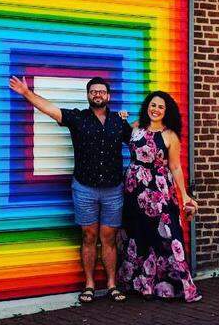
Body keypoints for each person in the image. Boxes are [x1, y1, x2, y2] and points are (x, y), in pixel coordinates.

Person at [8, 75, 130, 304]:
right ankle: (90, 285)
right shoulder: (77, 118)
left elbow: (139, 137)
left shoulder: (118, 122)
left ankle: (112, 284)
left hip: (113, 190)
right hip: (84, 188)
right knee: (88, 236)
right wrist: (26, 93)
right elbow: (50, 109)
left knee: (109, 238)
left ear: (108, 96)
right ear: (88, 96)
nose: (97, 94)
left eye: (101, 91)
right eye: (93, 91)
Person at [119, 91, 201, 302]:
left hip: (159, 190)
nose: (155, 109)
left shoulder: (170, 135)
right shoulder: (136, 127)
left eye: (160, 107)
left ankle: (180, 286)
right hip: (133, 188)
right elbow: (119, 137)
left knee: (167, 234)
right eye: (153, 105)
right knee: (138, 234)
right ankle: (142, 286)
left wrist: (184, 195)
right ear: (147, 106)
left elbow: (175, 166)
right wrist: (121, 120)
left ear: (167, 112)